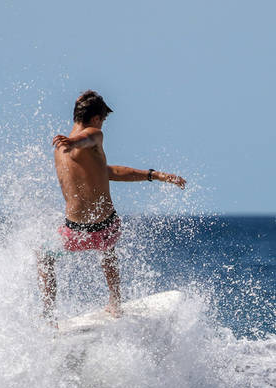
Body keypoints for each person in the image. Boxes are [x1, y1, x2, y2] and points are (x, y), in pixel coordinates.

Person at [38, 90, 186, 319]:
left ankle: (49, 316)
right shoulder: (81, 140)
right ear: (96, 118)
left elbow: (87, 138)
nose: (102, 127)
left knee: (44, 257)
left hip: (82, 232)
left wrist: (154, 175)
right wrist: (153, 175)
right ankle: (114, 301)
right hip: (99, 229)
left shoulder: (75, 141)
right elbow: (108, 172)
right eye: (103, 120)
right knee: (106, 252)